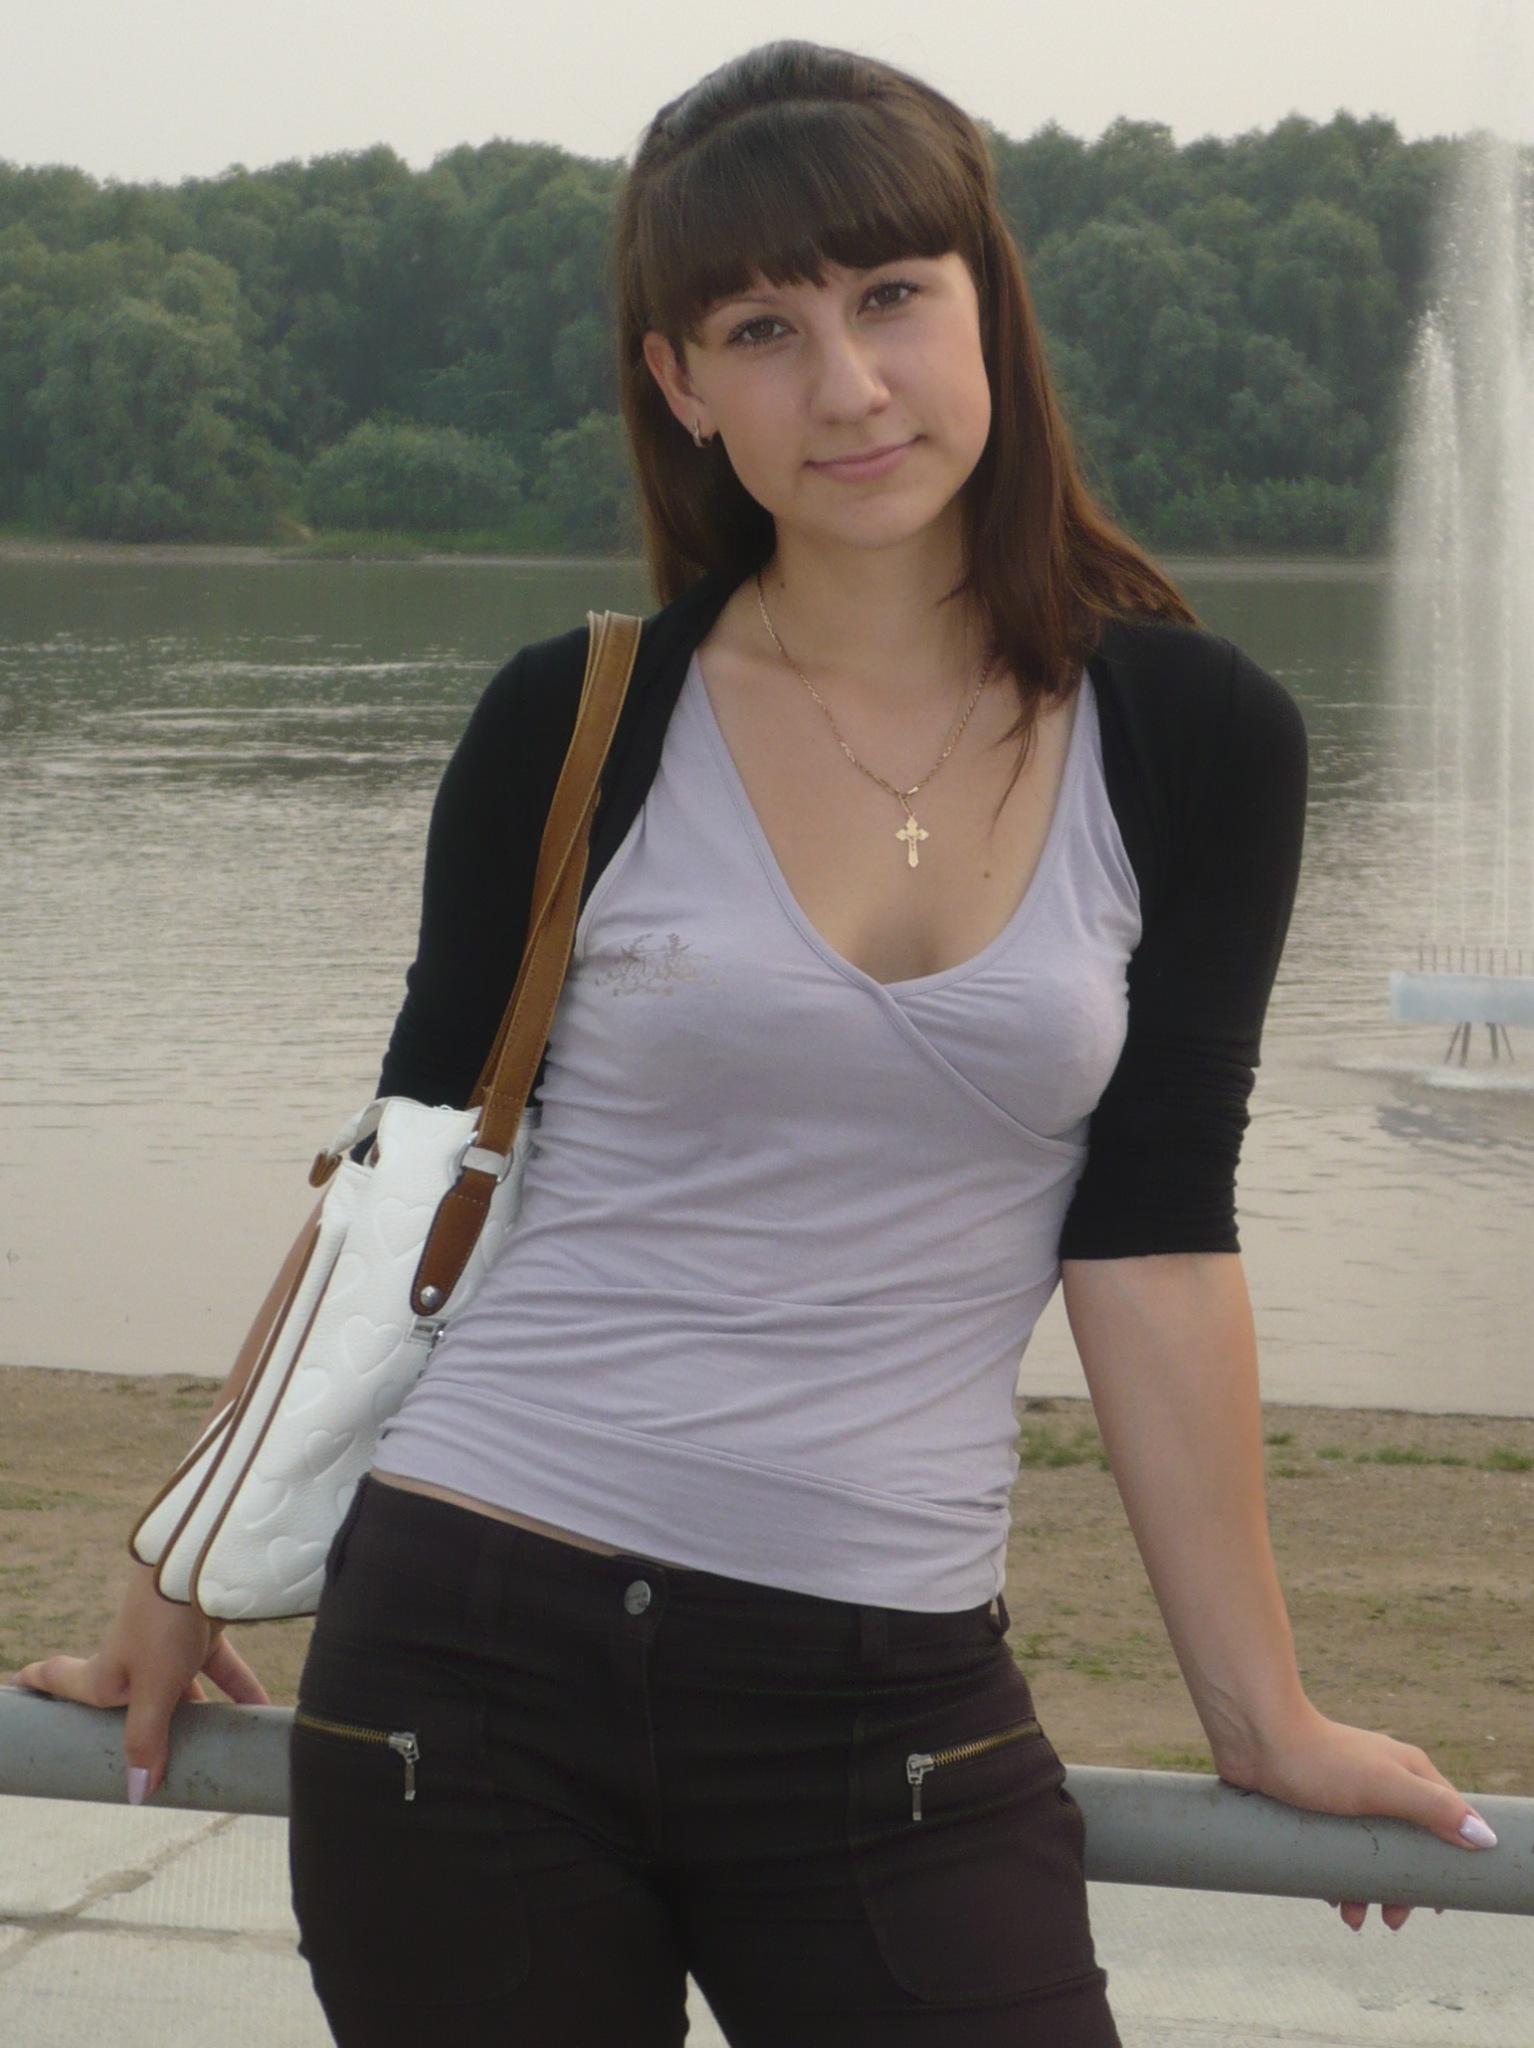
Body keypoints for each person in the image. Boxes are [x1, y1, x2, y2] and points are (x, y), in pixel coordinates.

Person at [18, 39, 1497, 2048]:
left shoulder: (1194, 738)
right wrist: (177, 1569)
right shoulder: (577, 718)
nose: (850, 385)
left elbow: (1152, 1238)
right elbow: (406, 1167)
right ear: (682, 384)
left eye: (890, 297)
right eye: (762, 330)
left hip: (888, 1697)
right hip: (467, 1654)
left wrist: (1262, 1715)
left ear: (986, 302)